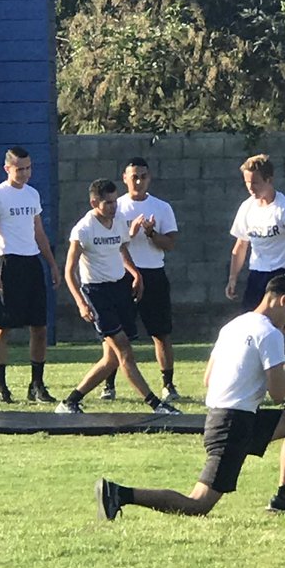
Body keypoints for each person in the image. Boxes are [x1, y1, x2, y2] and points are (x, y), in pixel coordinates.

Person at [95, 273, 285, 519]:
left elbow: (207, 378)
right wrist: (283, 365)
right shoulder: (270, 334)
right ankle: (119, 494)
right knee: (197, 504)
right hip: (233, 425)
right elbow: (278, 395)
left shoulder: (234, 325)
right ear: (283, 301)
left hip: (227, 417)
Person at [55, 178, 182, 416]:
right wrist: (81, 303)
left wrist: (135, 274)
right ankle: (156, 404)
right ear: (94, 202)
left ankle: (70, 402)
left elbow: (122, 248)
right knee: (125, 351)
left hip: (119, 290)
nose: (114, 207)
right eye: (108, 203)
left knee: (111, 359)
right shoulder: (83, 229)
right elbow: (69, 271)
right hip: (96, 293)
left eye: (115, 202)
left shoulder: (119, 223)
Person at [226, 154, 285, 410]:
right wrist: (233, 278)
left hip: (282, 277)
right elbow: (241, 245)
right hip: (257, 277)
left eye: (255, 182)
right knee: (253, 336)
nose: (251, 188)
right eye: (247, 182)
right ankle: (255, 392)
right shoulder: (247, 208)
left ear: (269, 180)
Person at [0, 146, 60, 404]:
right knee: (2, 328)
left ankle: (37, 385)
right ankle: (1, 387)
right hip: (9, 262)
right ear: (7, 169)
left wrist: (51, 264)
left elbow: (38, 232)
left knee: (40, 327)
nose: (25, 173)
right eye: (20, 169)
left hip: (31, 262)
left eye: (28, 168)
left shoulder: (32, 194)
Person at [101, 157, 179, 403]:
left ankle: (168, 384)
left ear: (149, 178)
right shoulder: (116, 207)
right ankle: (108, 385)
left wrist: (151, 233)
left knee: (161, 332)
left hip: (153, 273)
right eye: (133, 176)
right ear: (124, 178)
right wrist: (131, 231)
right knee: (116, 333)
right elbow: (110, 243)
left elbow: (170, 244)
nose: (138, 181)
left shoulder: (162, 207)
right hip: (121, 275)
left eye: (143, 176)